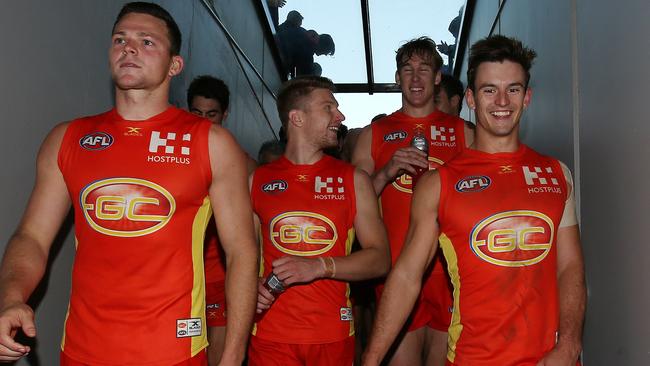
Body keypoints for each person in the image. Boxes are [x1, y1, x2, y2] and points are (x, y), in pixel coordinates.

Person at [0, 3, 258, 365]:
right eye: (120, 39)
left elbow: (242, 252)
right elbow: (31, 237)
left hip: (173, 352)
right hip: (82, 350)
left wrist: (232, 353)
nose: (129, 47)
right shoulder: (68, 139)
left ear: (174, 65)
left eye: (147, 41)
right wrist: (11, 297)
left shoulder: (210, 143)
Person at [363, 35, 586, 366]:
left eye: (513, 89)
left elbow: (569, 267)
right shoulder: (439, 184)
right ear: (470, 97)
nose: (502, 101)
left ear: (527, 98)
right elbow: (407, 276)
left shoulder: (555, 173)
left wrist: (569, 345)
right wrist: (371, 358)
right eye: (488, 89)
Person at [248, 76, 391, 366]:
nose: (340, 116)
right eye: (328, 107)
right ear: (297, 118)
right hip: (270, 336)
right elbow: (243, 257)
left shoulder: (353, 179)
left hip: (331, 335)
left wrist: (319, 266)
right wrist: (252, 286)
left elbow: (380, 258)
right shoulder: (257, 180)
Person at [352, 36, 473, 366]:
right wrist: (387, 171)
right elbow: (350, 208)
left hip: (450, 274)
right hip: (397, 271)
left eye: (424, 69)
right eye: (407, 70)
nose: (416, 78)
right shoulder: (373, 134)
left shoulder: (464, 132)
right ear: (397, 78)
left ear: (437, 77)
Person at [186, 75, 257, 365]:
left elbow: (252, 233)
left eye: (211, 114)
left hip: (222, 278)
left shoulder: (243, 164)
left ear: (225, 114)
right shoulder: (172, 155)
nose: (204, 121)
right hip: (182, 279)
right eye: (197, 113)